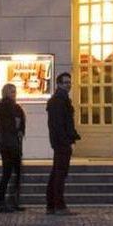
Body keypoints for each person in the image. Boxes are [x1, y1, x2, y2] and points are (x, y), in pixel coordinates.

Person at [45, 71, 80, 215]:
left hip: (61, 141)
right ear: (59, 84)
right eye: (65, 83)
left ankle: (51, 205)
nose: (68, 85)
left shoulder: (62, 99)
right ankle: (58, 205)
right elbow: (58, 124)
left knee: (56, 173)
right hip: (61, 142)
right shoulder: (58, 100)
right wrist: (66, 140)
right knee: (60, 173)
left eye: (69, 82)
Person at [0, 82, 27, 212]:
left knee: (16, 172)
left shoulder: (16, 107)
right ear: (6, 93)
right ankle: (2, 202)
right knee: (8, 172)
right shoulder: (3, 107)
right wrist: (17, 126)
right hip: (7, 143)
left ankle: (12, 201)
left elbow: (20, 123)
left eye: (15, 91)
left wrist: (19, 128)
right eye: (11, 91)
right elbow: (7, 125)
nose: (14, 93)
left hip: (13, 142)